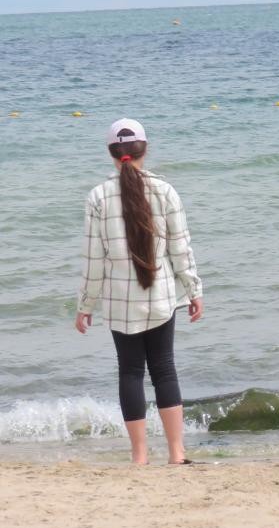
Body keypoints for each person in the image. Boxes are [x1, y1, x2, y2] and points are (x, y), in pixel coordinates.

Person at [76, 118, 204, 465]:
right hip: (162, 297)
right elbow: (181, 249)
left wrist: (86, 304)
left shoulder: (98, 197)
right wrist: (194, 289)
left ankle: (139, 456)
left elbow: (94, 260)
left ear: (112, 154)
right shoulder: (165, 191)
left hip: (119, 303)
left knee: (130, 371)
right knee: (164, 368)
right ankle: (177, 453)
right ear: (144, 150)